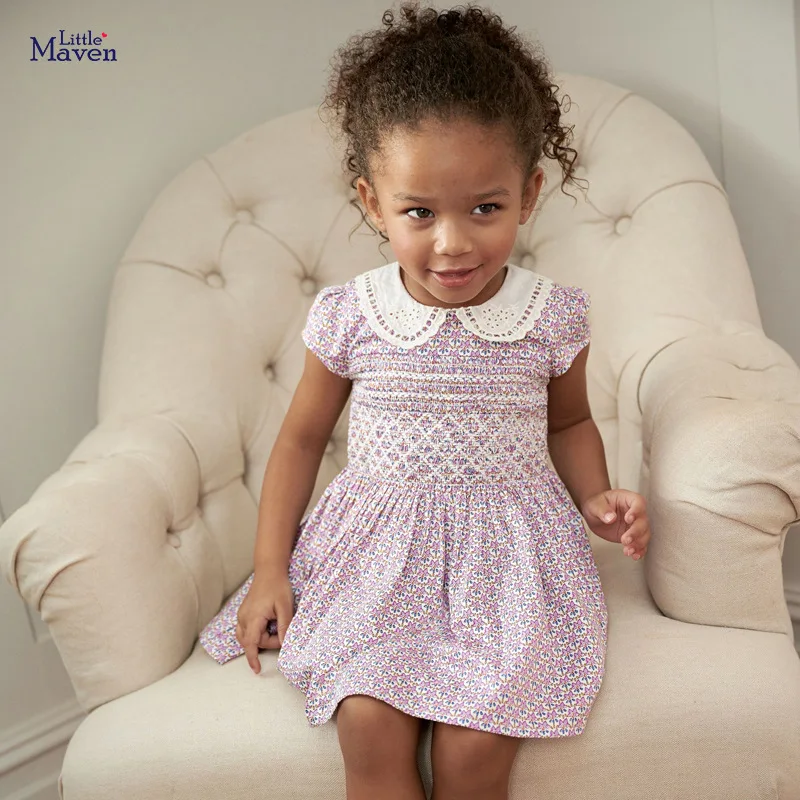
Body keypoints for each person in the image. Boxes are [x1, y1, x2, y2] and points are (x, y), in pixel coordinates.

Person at [199, 3, 651, 798]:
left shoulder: (550, 316)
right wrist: (271, 570)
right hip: (378, 559)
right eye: (419, 212)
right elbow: (300, 440)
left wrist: (596, 497)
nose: (453, 242)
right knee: (368, 722)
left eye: (486, 208)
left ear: (529, 193)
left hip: (509, 561)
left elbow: (572, 421)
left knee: (476, 746)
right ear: (372, 203)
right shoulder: (352, 315)